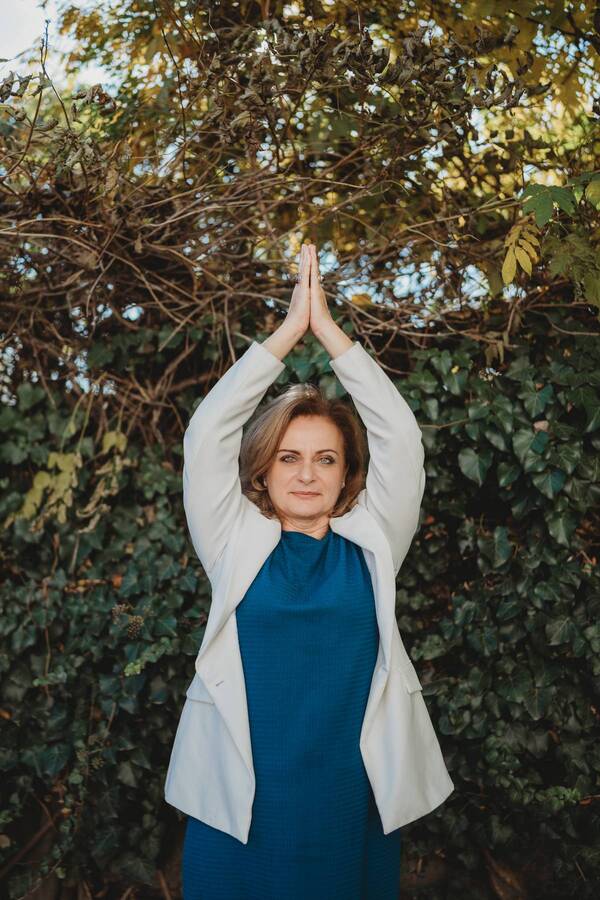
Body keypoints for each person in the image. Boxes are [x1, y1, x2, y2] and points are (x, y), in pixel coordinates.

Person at [165, 242, 454, 899]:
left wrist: (330, 333)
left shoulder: (373, 542)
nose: (306, 474)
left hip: (346, 794)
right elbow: (206, 435)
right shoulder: (233, 539)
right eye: (289, 457)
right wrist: (290, 330)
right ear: (263, 468)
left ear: (347, 473)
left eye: (326, 459)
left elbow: (401, 439)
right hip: (243, 794)